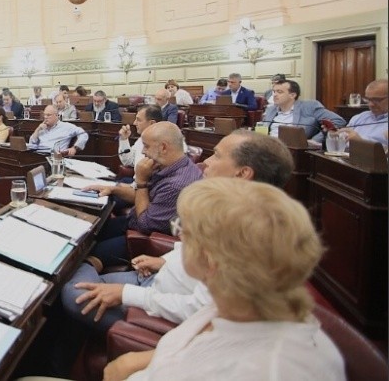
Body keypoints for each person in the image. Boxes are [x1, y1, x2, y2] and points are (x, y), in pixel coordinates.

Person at [104, 178, 344, 381]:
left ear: (210, 260)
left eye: (184, 230)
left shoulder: (269, 370)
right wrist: (130, 363)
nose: (180, 238)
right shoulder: (235, 302)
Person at [63, 131, 296, 334]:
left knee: (72, 288)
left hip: (161, 303)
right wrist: (163, 261)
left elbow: (202, 309)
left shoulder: (250, 232)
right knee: (74, 271)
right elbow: (196, 251)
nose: (206, 162)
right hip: (158, 279)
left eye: (216, 155)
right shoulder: (231, 209)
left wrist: (126, 295)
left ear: (243, 173)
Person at [88, 122, 203, 270]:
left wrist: (141, 181)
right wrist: (113, 189)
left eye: (146, 146)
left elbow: (144, 225)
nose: (143, 151)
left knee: (89, 251)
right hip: (133, 220)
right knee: (92, 230)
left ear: (163, 147)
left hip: (144, 238)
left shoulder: (176, 185)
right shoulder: (173, 165)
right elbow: (144, 197)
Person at [263, 79, 345, 143]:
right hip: (270, 146)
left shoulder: (309, 107)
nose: (274, 95)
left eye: (279, 92)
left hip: (295, 150)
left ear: (292, 95)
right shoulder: (271, 110)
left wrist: (315, 140)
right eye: (274, 91)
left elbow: (338, 121)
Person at [340, 79, 388, 149]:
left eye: (377, 100)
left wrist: (361, 143)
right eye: (368, 99)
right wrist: (333, 134)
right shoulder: (359, 117)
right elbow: (342, 139)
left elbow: (385, 152)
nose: (371, 104)